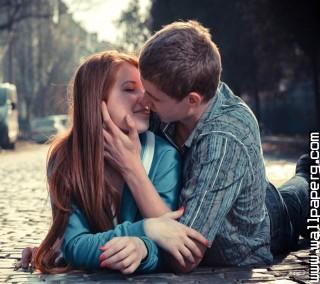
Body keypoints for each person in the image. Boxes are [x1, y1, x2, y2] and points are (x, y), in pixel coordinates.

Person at [101, 20, 310, 272]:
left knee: (305, 192)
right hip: (247, 191)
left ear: (192, 100)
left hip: (272, 222)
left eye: (153, 97)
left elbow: (186, 255)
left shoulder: (224, 140)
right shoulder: (171, 100)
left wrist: (131, 168)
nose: (144, 101)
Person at [18, 50, 207, 274]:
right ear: (95, 99)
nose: (145, 100)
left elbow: (170, 244)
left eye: (146, 90)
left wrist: (143, 248)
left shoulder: (164, 155)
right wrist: (148, 228)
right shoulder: (65, 157)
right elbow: (74, 245)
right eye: (129, 89)